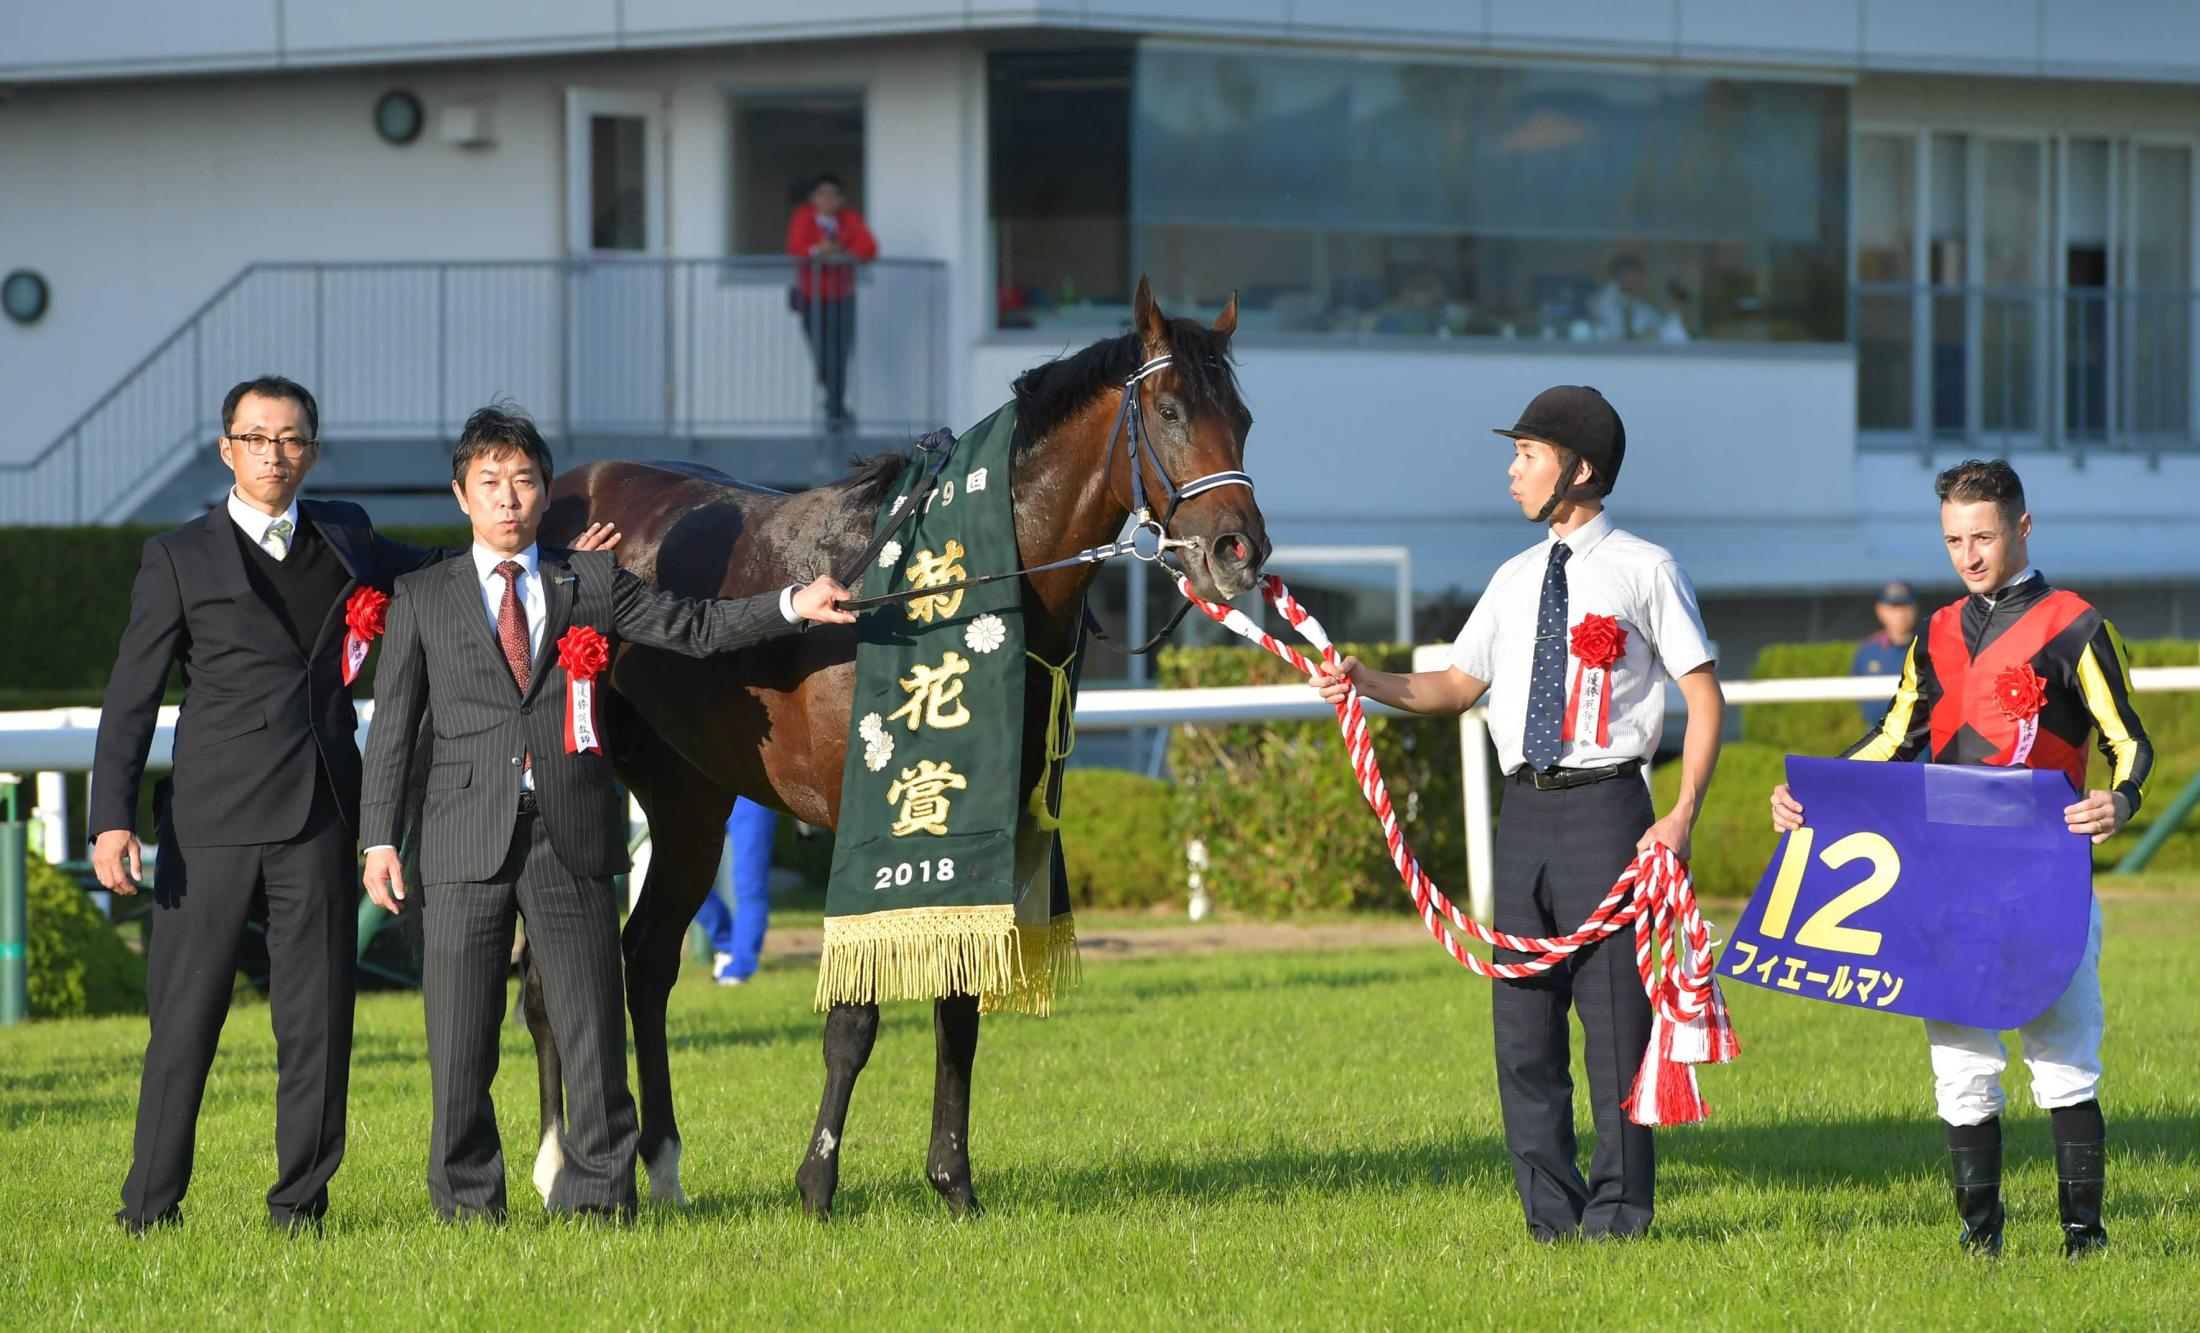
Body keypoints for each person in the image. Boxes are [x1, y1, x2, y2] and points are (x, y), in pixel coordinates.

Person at [87, 375, 618, 1236]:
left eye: (290, 438)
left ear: (312, 450)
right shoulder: (178, 556)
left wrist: (563, 556)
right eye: (256, 438)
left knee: (319, 1034)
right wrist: (111, 816)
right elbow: (131, 695)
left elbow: (459, 572)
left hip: (322, 817)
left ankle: (300, 1206)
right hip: (209, 824)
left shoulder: (345, 534)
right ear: (227, 449)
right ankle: (149, 1207)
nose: (273, 453)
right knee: (182, 1026)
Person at [357, 404, 853, 1222]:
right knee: (460, 1039)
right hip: (461, 839)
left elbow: (694, 627)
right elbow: (393, 727)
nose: (508, 498)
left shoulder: (588, 580)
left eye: (523, 481)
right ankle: (468, 1202)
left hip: (571, 835)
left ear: (545, 490)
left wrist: (791, 603)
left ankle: (599, 1197)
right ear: (461, 495)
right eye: (490, 483)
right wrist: (380, 838)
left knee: (593, 1029)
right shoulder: (421, 596)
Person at [1313, 385, 1723, 1241]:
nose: (1511, 473)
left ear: (1579, 469)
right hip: (1523, 816)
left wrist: (1681, 811)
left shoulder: (1646, 569)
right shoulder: (1511, 580)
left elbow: (1702, 693)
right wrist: (1365, 680)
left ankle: (1619, 1217)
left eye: (1527, 456)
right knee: (1522, 1032)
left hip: (1612, 809)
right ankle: (1550, 1217)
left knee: (1615, 1024)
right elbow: (1455, 686)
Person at [1771, 459, 2151, 1259]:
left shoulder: (2075, 622)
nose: (1969, 554)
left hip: (2048, 874)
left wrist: (2120, 800)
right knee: (1961, 1062)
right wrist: (1815, 795)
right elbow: (1893, 739)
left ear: (2022, 526)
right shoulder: (1935, 632)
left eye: (1982, 536)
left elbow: (2128, 742)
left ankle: (2086, 1238)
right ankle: (1981, 1243)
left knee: (2065, 1056)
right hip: (1950, 880)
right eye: (1953, 540)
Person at [785, 173, 878, 431]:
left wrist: (842, 252)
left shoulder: (848, 219)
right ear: (814, 198)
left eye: (833, 195)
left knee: (839, 353)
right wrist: (819, 250)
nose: (828, 200)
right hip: (811, 297)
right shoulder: (804, 217)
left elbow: (869, 247)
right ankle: (836, 408)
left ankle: (835, 411)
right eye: (822, 194)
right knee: (821, 353)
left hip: (841, 297)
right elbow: (796, 248)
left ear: (840, 199)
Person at [694, 797, 777, 986]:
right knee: (680, 876)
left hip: (752, 792)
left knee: (750, 885)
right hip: (706, 784)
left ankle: (739, 968)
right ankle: (727, 944)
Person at [1853, 579, 1920, 727]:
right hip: (1877, 733)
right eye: (1893, 607)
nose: (1900, 614)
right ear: (1880, 610)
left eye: (1905, 607)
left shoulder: (1930, 646)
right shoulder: (1867, 651)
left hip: (1920, 735)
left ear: (1914, 608)